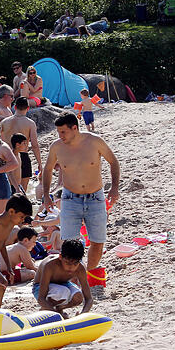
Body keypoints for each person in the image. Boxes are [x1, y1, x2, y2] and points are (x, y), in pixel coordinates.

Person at [41, 112, 120, 290]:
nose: (60, 136)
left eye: (63, 132)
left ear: (74, 128)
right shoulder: (57, 147)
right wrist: (46, 194)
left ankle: (87, 274)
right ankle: (73, 280)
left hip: (95, 197)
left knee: (98, 241)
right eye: (58, 132)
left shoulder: (94, 141)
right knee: (68, 244)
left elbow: (113, 162)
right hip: (70, 198)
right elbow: (47, 170)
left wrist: (114, 188)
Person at [33, 239, 93, 318]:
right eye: (67, 263)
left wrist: (83, 314)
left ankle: (59, 309)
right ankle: (47, 310)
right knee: (63, 292)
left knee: (78, 296)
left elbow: (89, 299)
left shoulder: (80, 268)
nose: (71, 267)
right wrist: (57, 316)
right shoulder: (50, 265)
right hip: (39, 287)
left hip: (62, 284)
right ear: (60, 257)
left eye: (75, 263)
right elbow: (41, 298)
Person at [0, 96, 42, 179]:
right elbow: (34, 145)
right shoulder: (30, 123)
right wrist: (39, 163)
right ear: (28, 108)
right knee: (22, 190)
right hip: (23, 156)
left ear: (15, 107)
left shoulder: (4, 122)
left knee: (8, 187)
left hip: (6, 156)